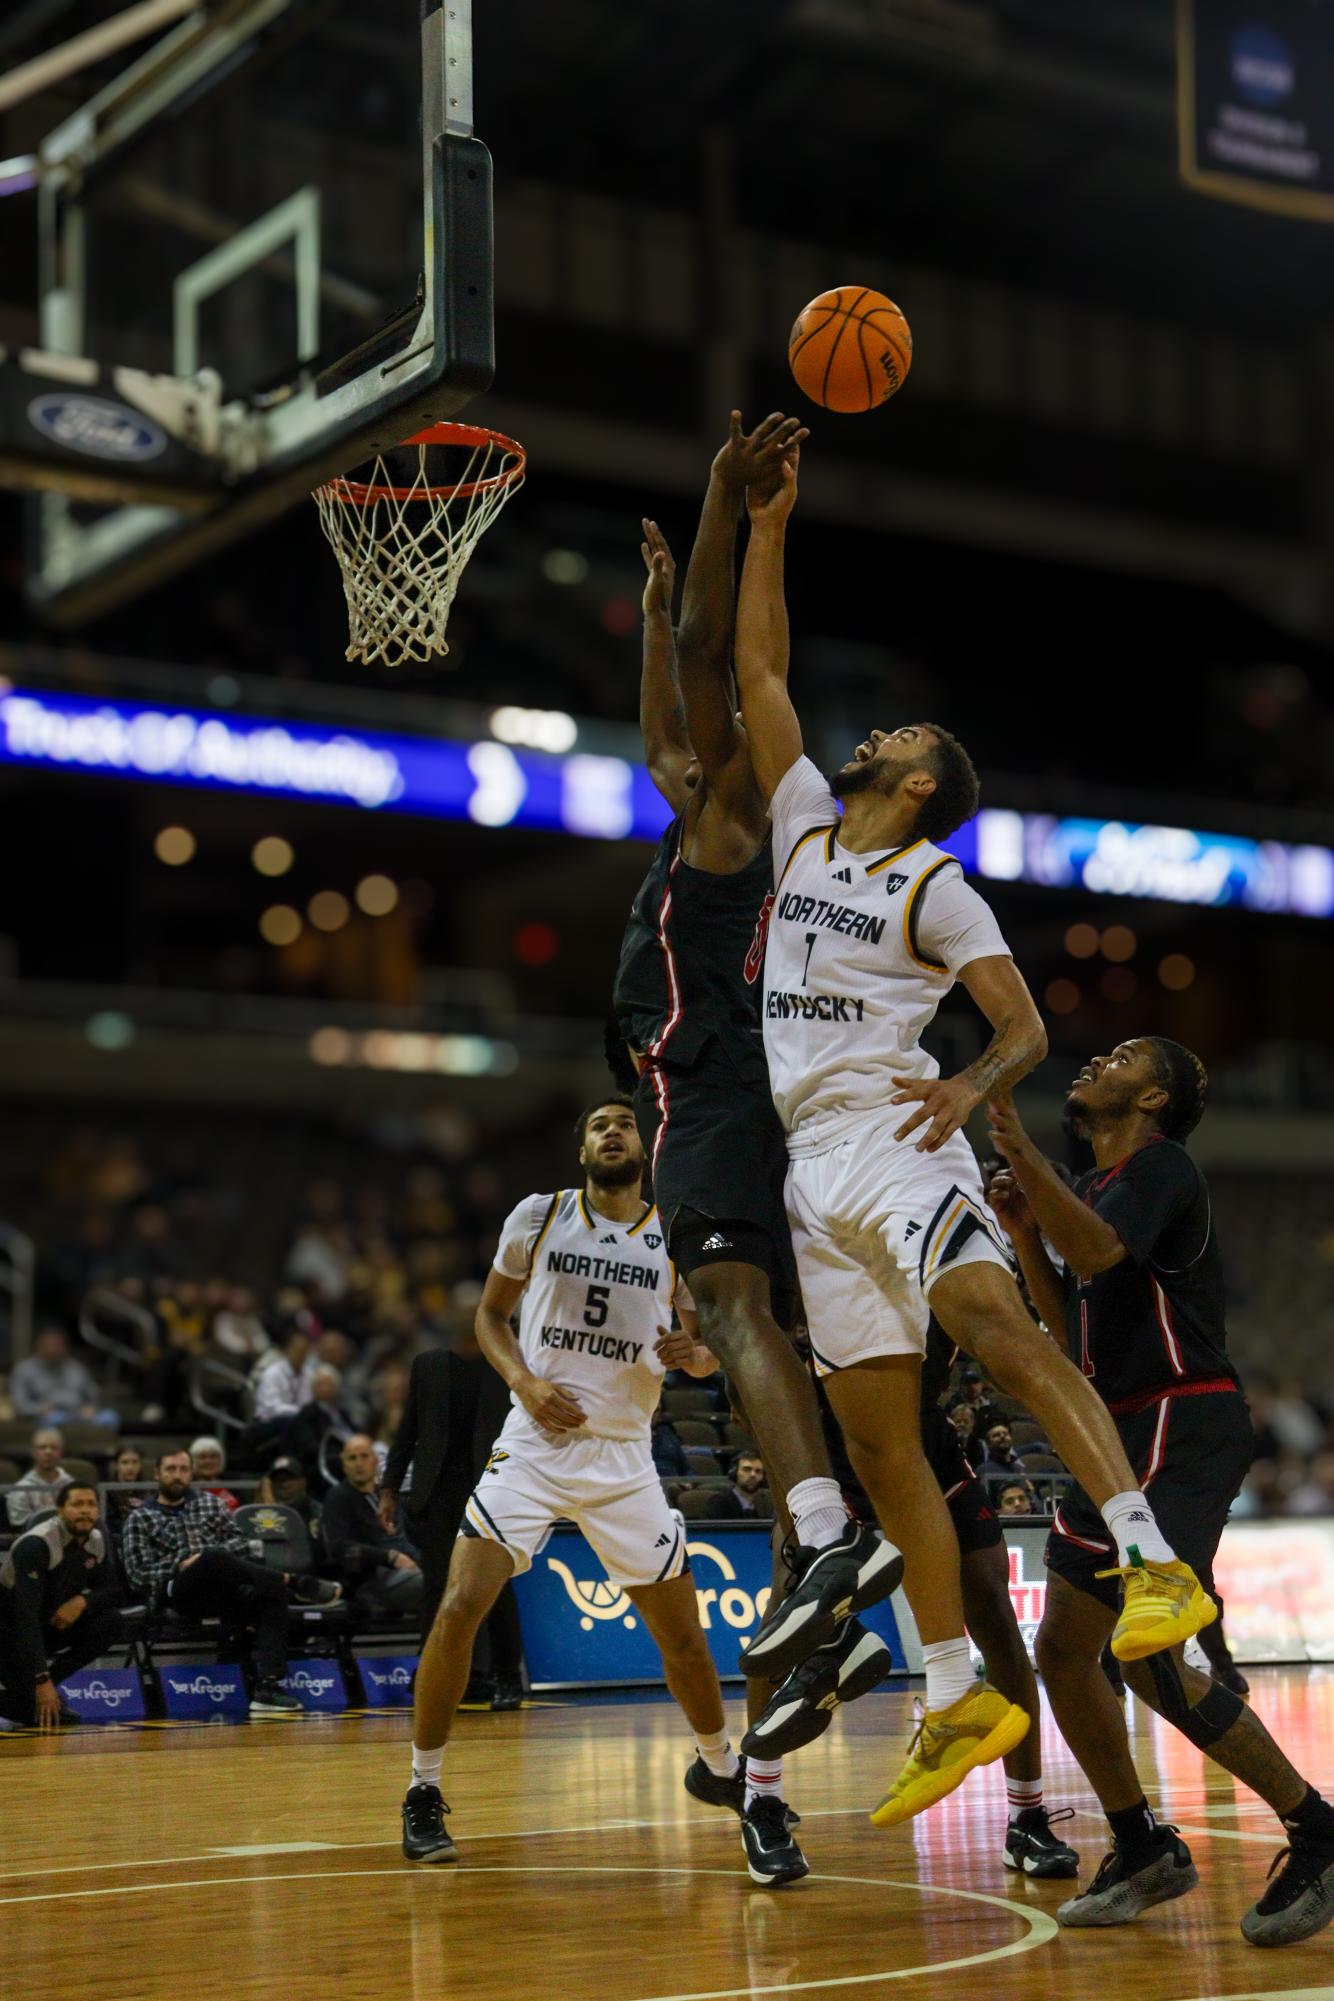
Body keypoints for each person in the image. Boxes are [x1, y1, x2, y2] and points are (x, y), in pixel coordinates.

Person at [730, 438, 1212, 1828]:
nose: (869, 733)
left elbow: (1023, 1027)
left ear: (927, 781)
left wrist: (963, 1086)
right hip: (806, 1165)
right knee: (880, 1448)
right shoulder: (809, 831)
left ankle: (1146, 1556)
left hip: (896, 1142)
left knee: (999, 1337)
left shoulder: (936, 886)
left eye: (900, 738)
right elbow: (762, 679)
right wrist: (770, 525)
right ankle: (955, 1692)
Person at [611, 418, 900, 1725]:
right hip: (755, 1097)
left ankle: (827, 1530)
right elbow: (666, 715)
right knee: (762, 1347)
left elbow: (709, 664)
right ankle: (830, 1612)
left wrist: (725, 503)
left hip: (722, 1089)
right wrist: (660, 604)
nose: (681, 750)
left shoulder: (736, 825)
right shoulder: (708, 818)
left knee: (731, 1312)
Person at [988, 1039, 1334, 1945]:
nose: (1098, 1058)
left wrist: (1019, 1149)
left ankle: (1318, 1829)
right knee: (1064, 1650)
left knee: (1147, 1659)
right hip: (1113, 1430)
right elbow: (1069, 1337)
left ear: (1152, 1096)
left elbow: (1100, 1254)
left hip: (1183, 1420)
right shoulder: (1091, 1192)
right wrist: (1027, 1234)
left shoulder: (1161, 1167)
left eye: (1123, 1056)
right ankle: (1141, 1842)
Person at [400, 1099, 747, 1871]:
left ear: (643, 1146)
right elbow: (490, 1316)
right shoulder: (540, 1213)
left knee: (684, 1639)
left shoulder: (673, 1235)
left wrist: (697, 1352)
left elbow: (707, 1350)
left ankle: (720, 1766)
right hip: (535, 1443)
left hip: (623, 1454)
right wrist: (522, 1380)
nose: (613, 1130)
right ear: (583, 1146)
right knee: (460, 1603)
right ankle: (423, 1788)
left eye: (624, 1121)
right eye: (598, 1124)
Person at [744, 1320, 1079, 1882]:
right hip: (828, 1458)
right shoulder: (803, 1256)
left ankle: (1027, 1816)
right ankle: (760, 1801)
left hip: (925, 1452)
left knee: (997, 1618)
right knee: (788, 1622)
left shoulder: (935, 1250)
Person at [121, 1448, 342, 1716]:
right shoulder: (140, 1517)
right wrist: (182, 1563)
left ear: (191, 1473)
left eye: (183, 1469)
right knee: (214, 1556)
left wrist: (207, 1558)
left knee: (271, 1593)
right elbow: (137, 1576)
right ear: (157, 1474)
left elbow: (241, 1544)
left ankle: (268, 1688)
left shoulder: (210, 1504)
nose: (177, 1476)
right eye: (170, 1469)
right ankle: (295, 1581)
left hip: (224, 1589)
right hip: (179, 1594)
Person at [380, 1323, 526, 1707]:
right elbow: (407, 1428)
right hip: (438, 1493)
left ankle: (508, 1677)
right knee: (437, 1589)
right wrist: (389, 1487)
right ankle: (438, 1673)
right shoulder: (428, 1365)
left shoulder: (512, 1365)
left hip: (493, 1487)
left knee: (497, 1587)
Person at [0, 1483, 127, 1730]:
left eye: (91, 1504)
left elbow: (115, 1592)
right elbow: (26, 1616)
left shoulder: (96, 1540)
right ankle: (38, 1693)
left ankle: (49, 1690)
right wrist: (41, 1678)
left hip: (48, 1625)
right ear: (60, 1509)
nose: (85, 1511)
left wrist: (82, 1602)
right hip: (9, 1635)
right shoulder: (35, 1544)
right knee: (37, 1713)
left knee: (112, 1622)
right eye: (77, 1504)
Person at [323, 1434, 424, 1620]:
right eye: (352, 1458)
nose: (358, 1463)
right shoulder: (338, 1496)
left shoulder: (387, 1497)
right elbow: (338, 1546)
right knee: (437, 1586)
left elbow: (405, 1536)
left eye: (364, 1456)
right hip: (372, 1579)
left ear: (376, 1461)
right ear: (343, 1464)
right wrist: (389, 1557)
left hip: (408, 1570)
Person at [9, 1327, 118, 1430]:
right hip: (46, 1417)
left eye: (58, 1344)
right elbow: (19, 1405)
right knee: (55, 1419)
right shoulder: (24, 1370)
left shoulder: (76, 1368)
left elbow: (93, 1395)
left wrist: (90, 1408)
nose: (55, 1348)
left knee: (109, 1417)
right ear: (39, 1345)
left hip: (77, 1414)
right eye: (50, 1344)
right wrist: (39, 1409)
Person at [6, 1427, 73, 1529]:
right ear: (33, 1453)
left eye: (54, 1447)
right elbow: (20, 1528)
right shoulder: (21, 1489)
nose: (48, 1452)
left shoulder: (72, 1485)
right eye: (42, 1447)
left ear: (61, 1453)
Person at [711, 1452, 774, 1522]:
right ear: (734, 1473)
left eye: (758, 1471)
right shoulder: (719, 1503)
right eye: (747, 1469)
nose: (753, 1475)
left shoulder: (768, 1503)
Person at [190, 1437, 240, 1511]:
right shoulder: (187, 1488)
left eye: (213, 1456)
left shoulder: (234, 1485)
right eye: (203, 1457)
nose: (208, 1461)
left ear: (221, 1460)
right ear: (193, 1461)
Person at [650, 1404, 691, 1480]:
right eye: (651, 1410)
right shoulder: (631, 1440)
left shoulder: (666, 1432)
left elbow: (686, 1468)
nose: (653, 1414)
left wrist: (691, 1482)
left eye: (657, 1411)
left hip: (676, 1483)